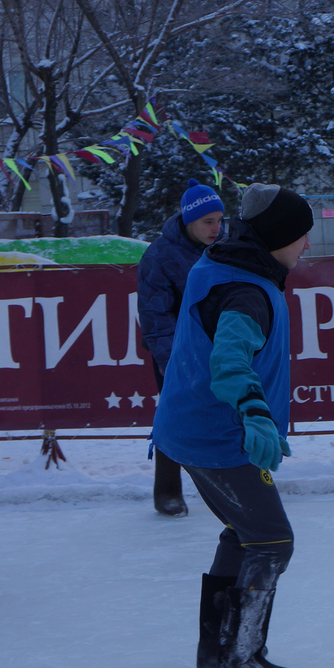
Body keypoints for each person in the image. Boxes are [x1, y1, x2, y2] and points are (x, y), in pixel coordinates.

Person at [151, 183, 312, 668]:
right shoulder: (245, 292)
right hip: (217, 437)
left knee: (246, 534)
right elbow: (229, 361)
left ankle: (218, 648)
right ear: (279, 238)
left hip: (196, 431)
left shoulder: (232, 267)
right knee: (272, 540)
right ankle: (241, 663)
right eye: (302, 235)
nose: (307, 246)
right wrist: (255, 413)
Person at [138, 179, 226, 516]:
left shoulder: (224, 248)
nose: (216, 228)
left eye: (219, 220)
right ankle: (167, 491)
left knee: (227, 413)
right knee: (175, 417)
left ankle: (231, 484)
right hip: (177, 354)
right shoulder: (159, 256)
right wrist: (171, 360)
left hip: (221, 347)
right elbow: (154, 314)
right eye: (208, 221)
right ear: (189, 220)